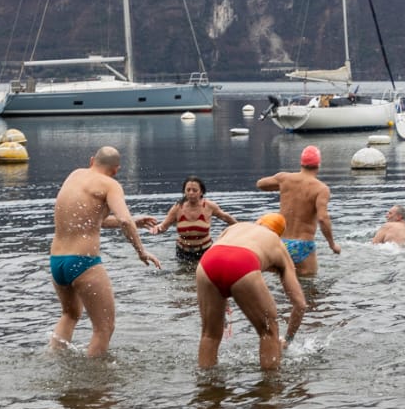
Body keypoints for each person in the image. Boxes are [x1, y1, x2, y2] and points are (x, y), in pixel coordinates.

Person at [49, 146, 160, 355]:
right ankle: (95, 382)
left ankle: (53, 361)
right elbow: (124, 219)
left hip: (57, 261)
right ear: (116, 170)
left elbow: (92, 221)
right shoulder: (110, 184)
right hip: (83, 262)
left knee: (70, 315)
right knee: (104, 328)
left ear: (92, 160)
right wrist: (141, 251)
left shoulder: (75, 175)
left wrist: (133, 221)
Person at [195, 219, 310, 371]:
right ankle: (271, 387)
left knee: (209, 335)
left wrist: (222, 299)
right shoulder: (277, 243)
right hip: (243, 262)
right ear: (279, 234)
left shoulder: (236, 227)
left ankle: (206, 386)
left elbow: (223, 260)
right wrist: (287, 340)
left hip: (207, 263)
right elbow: (300, 304)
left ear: (259, 222)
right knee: (269, 330)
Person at [256, 145, 340, 277]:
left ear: (301, 163)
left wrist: (282, 186)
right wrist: (332, 244)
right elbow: (323, 219)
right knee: (309, 287)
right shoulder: (321, 189)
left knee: (283, 284)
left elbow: (260, 184)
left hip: (281, 244)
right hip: (303, 245)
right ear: (318, 165)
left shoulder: (284, 178)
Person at [141, 175, 237, 264]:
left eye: (194, 190)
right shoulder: (178, 207)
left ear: (201, 192)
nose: (191, 193)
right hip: (183, 253)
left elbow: (226, 217)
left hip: (205, 251)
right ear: (184, 192)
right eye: (188, 190)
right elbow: (164, 226)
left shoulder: (209, 206)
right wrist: (157, 228)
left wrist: (243, 228)